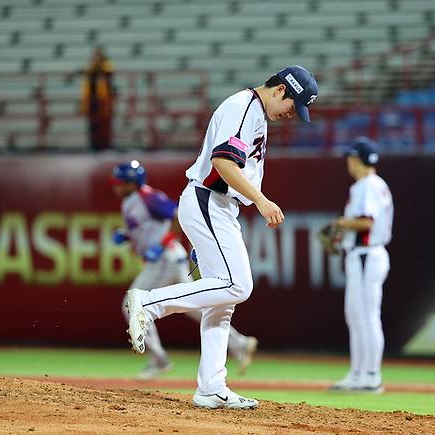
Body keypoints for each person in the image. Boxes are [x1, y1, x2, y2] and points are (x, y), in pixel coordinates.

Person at [125, 65, 318, 409]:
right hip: (207, 200)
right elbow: (223, 162)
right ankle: (149, 303)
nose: (292, 114)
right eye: (293, 105)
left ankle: (211, 386)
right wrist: (260, 200)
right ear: (280, 90)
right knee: (238, 285)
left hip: (219, 207)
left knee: (222, 301)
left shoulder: (255, 111)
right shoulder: (244, 107)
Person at [111, 160, 259, 380]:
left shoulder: (147, 196)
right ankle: (239, 342)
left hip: (165, 257)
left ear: (132, 183)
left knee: (131, 303)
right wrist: (128, 234)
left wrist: (163, 242)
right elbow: (147, 226)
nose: (116, 185)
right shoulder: (132, 201)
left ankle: (159, 360)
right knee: (194, 303)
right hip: (168, 258)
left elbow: (175, 213)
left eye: (121, 182)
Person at [329, 137, 393, 394]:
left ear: (357, 159)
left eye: (351, 157)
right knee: (356, 316)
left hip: (368, 255)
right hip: (361, 254)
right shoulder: (368, 185)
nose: (349, 162)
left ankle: (371, 375)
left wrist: (342, 223)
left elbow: (367, 222)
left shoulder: (369, 185)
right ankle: (358, 374)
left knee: (366, 317)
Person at [80, 46, 115, 151]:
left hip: (104, 101)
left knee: (105, 124)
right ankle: (94, 145)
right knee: (93, 124)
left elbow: (109, 72)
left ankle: (106, 145)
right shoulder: (92, 66)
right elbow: (87, 73)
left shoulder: (106, 64)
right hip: (92, 101)